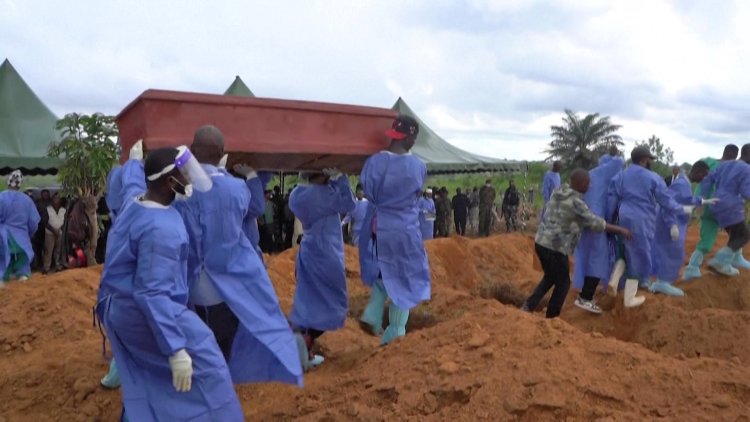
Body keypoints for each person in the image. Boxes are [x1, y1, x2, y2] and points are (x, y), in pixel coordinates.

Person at [95, 147, 244, 421]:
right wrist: (175, 349)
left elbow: (132, 183)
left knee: (147, 376)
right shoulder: (161, 230)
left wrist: (133, 162)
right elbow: (151, 293)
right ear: (168, 182)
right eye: (183, 174)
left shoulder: (135, 202)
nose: (189, 180)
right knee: (210, 371)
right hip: (147, 312)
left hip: (121, 310)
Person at [174, 125, 302, 386]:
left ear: (192, 149)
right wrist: (253, 175)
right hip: (226, 290)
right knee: (226, 345)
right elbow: (254, 206)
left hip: (191, 289)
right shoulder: (236, 189)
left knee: (199, 348)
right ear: (223, 153)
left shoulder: (179, 191)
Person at [357, 114, 431, 345]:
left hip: (380, 227)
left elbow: (368, 190)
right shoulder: (417, 166)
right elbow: (416, 192)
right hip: (406, 229)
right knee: (408, 277)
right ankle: (395, 333)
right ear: (410, 138)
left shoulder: (374, 162)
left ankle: (374, 309)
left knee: (385, 267)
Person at [521, 169, 631, 318]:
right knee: (564, 282)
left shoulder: (559, 191)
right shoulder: (576, 203)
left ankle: (528, 306)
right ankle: (552, 317)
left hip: (541, 242)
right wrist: (621, 230)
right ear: (579, 183)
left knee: (551, 277)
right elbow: (595, 223)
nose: (590, 186)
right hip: (555, 247)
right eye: (587, 183)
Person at [288, 169, 356, 370]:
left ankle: (303, 351)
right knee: (334, 302)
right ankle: (302, 341)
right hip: (326, 252)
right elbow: (349, 204)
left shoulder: (297, 195)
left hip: (308, 250)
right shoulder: (324, 195)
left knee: (308, 299)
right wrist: (342, 177)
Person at [607, 146, 689, 307]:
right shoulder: (652, 177)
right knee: (639, 256)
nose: (650, 162)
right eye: (650, 159)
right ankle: (630, 299)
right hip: (641, 219)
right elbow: (665, 200)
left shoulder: (620, 176)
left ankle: (614, 281)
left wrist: (610, 221)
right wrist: (681, 208)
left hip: (622, 216)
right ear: (644, 160)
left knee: (624, 251)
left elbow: (611, 200)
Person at [571, 151, 625, 313]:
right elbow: (619, 162)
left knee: (587, 257)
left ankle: (586, 292)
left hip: (587, 224)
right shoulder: (604, 174)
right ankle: (586, 297)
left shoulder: (594, 176)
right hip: (596, 224)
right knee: (598, 259)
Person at [650, 161, 712, 296]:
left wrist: (702, 201)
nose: (704, 178)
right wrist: (672, 224)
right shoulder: (682, 184)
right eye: (704, 175)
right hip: (669, 222)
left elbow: (686, 199)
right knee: (673, 252)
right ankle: (662, 282)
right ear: (697, 171)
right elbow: (668, 203)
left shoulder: (684, 184)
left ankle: (661, 282)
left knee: (670, 251)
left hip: (673, 221)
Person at [683, 145, 745, 279]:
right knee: (739, 232)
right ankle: (733, 258)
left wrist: (700, 200)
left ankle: (692, 268)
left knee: (707, 239)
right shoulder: (731, 168)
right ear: (735, 156)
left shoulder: (708, 161)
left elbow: (699, 173)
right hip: (721, 206)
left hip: (703, 204)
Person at [700, 143, 750, 276]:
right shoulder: (746, 169)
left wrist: (704, 198)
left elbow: (707, 179)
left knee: (735, 233)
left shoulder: (725, 164)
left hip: (716, 203)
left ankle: (736, 259)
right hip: (731, 205)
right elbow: (746, 191)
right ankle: (721, 260)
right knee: (744, 234)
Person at [0, 170, 40, 286]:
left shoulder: (1, 197)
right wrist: (28, 235)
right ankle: (23, 280)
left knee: (3, 261)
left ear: (8, 183)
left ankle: (2, 283)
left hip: (3, 237)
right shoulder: (27, 200)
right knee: (23, 265)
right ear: (20, 184)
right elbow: (34, 223)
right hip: (22, 239)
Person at [42, 193, 66, 274]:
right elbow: (45, 222)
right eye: (55, 198)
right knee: (48, 250)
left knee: (58, 250)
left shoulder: (63, 209)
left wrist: (59, 230)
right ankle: (46, 267)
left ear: (60, 200)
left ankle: (57, 265)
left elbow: (64, 222)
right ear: (52, 200)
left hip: (59, 232)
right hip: (49, 233)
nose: (56, 200)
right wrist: (54, 230)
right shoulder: (48, 209)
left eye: (58, 198)